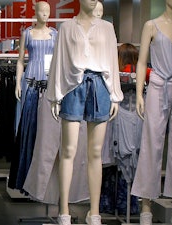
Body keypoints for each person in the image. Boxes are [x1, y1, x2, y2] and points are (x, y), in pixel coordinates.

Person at [46, 0, 123, 224]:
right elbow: (58, 62)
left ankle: (95, 212)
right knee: (68, 150)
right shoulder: (66, 27)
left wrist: (115, 94)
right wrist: (55, 94)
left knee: (95, 153)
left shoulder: (107, 28)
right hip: (72, 87)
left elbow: (112, 60)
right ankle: (64, 211)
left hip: (100, 86)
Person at [131, 0, 172, 224]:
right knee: (151, 144)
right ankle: (146, 207)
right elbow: (141, 62)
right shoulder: (151, 25)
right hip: (157, 86)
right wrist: (138, 94)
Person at [8, 1, 58, 191]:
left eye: (47, 11)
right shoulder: (27, 33)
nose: (45, 14)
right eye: (41, 11)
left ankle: (47, 180)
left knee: (48, 130)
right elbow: (21, 61)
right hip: (30, 83)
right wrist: (18, 82)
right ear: (35, 13)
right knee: (29, 129)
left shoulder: (55, 34)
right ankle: (25, 178)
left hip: (50, 84)